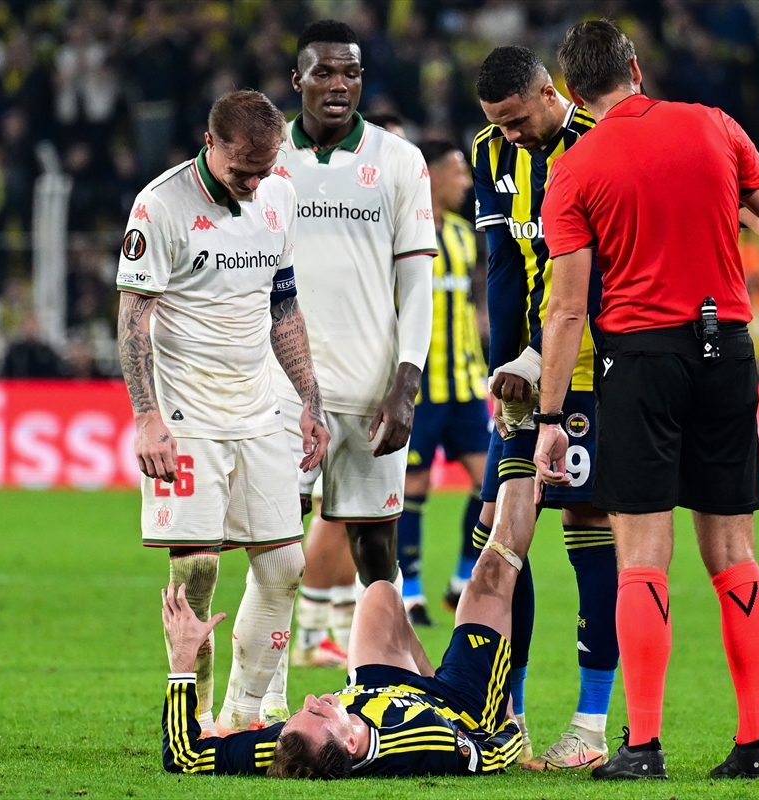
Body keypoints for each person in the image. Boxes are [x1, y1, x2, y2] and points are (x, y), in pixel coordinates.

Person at [534, 21, 759, 780]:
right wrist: (728, 213)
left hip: (640, 359)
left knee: (643, 559)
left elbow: (567, 309)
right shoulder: (715, 125)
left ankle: (644, 747)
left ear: (573, 93)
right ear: (635, 67)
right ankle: (754, 745)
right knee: (734, 554)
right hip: (726, 350)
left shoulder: (575, 168)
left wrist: (551, 419)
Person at [116, 90, 329, 736]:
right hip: (187, 416)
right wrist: (146, 417)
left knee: (285, 565)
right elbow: (133, 319)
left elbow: (283, 305)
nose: (254, 183)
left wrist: (309, 397)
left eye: (265, 169)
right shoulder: (160, 205)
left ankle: (244, 714)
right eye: (242, 170)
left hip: (258, 408)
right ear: (209, 144)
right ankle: (197, 719)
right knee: (197, 571)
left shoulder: (279, 195)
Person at [468, 45, 619, 770]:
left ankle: (590, 727)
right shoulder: (489, 153)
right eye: (497, 123)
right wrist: (507, 366)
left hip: (588, 368)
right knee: (498, 530)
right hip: (524, 379)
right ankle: (510, 718)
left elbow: (602, 272)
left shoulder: (600, 143)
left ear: (549, 92)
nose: (510, 134)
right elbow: (502, 267)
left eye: (517, 119)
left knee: (586, 524)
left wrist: (540, 359)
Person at [159, 495, 535, 778]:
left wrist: (182, 659)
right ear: (351, 742)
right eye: (318, 711)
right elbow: (489, 756)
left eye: (300, 711)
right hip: (457, 705)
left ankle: (430, 675)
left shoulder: (291, 743)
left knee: (380, 593)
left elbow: (184, 756)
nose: (310, 699)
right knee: (493, 569)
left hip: (376, 686)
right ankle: (520, 445)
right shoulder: (422, 740)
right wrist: (508, 727)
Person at [273, 21, 435, 668]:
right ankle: (257, 699)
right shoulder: (269, 158)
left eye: (351, 73)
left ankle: (380, 684)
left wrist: (406, 384)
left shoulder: (399, 161)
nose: (339, 85)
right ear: (298, 80)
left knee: (376, 548)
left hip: (372, 392)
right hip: (285, 391)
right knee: (275, 543)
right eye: (325, 72)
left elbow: (416, 285)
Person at [396, 140, 489, 626]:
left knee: (489, 482)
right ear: (430, 175)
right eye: (458, 171)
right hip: (420, 387)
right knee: (414, 484)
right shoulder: (402, 231)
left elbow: (472, 306)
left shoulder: (462, 234)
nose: (466, 182)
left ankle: (462, 578)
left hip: (466, 383)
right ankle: (410, 591)